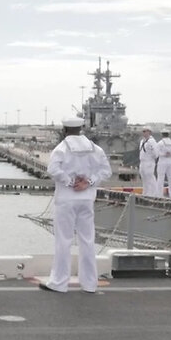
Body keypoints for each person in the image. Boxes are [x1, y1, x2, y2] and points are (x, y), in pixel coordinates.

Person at [40, 117, 112, 294]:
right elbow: (106, 171)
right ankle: (89, 284)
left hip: (66, 199)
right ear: (81, 129)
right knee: (87, 240)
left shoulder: (62, 149)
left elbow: (53, 170)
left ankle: (59, 282)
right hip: (87, 199)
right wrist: (88, 182)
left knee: (63, 241)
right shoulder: (95, 149)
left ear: (64, 130)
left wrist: (71, 181)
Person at [155, 130, 171, 198]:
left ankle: (159, 195)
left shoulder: (160, 143)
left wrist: (163, 154)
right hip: (170, 161)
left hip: (162, 161)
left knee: (160, 178)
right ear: (168, 135)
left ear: (162, 135)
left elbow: (156, 153)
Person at [137, 128, 160, 197]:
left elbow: (156, 153)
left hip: (149, 161)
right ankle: (145, 193)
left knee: (150, 178)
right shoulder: (142, 141)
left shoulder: (152, 141)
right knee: (144, 178)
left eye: (145, 131)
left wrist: (151, 158)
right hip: (142, 162)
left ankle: (154, 194)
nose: (143, 133)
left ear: (149, 132)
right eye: (143, 131)